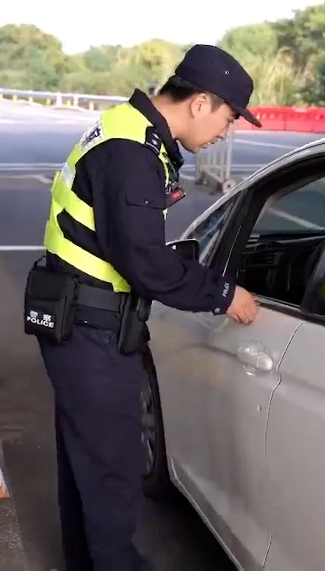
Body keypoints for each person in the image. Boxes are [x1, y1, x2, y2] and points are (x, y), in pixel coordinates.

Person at [28, 44, 261, 570]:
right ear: (200, 102)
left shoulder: (127, 129)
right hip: (89, 327)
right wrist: (224, 295)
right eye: (228, 117)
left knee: (87, 463)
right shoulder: (132, 153)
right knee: (111, 470)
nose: (227, 131)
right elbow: (146, 264)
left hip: (80, 318)